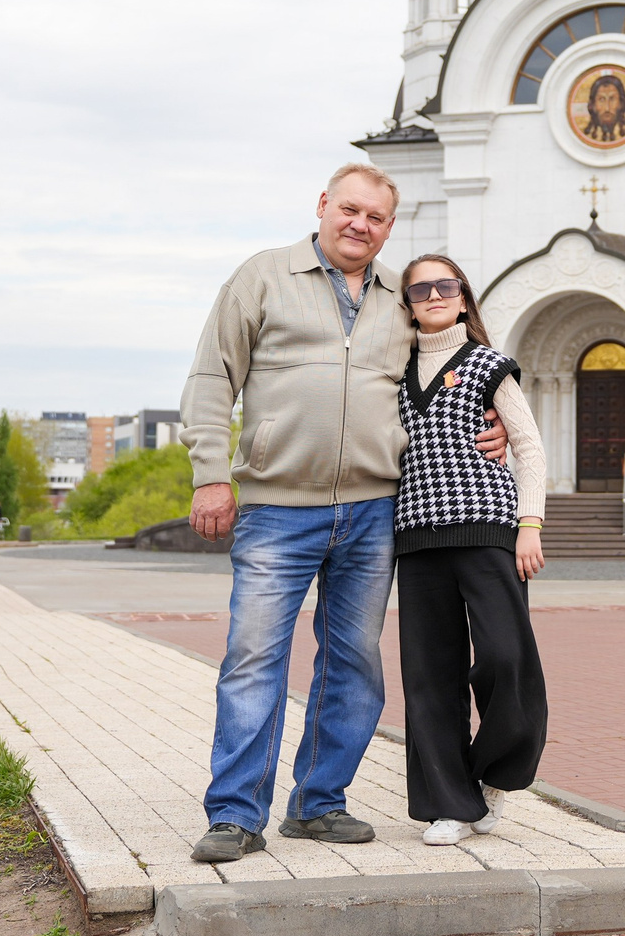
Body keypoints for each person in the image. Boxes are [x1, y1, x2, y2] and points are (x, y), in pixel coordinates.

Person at [179, 163, 510, 864]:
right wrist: (211, 474)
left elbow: (453, 363)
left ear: (391, 226)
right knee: (253, 658)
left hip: (373, 510)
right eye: (350, 209)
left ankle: (319, 802)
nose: (360, 225)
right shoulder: (263, 276)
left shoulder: (402, 294)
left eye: (377, 217)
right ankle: (236, 814)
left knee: (354, 663)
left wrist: (497, 417)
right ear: (324, 204)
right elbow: (213, 377)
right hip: (276, 507)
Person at [391, 255, 548, 845]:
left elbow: (528, 448)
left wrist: (529, 525)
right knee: (429, 677)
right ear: (407, 302)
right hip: (416, 535)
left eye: (445, 285)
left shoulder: (489, 366)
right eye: (420, 288)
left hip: (489, 530)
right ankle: (450, 806)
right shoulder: (392, 370)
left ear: (462, 298)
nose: (433, 294)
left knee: (506, 659)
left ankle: (494, 777)